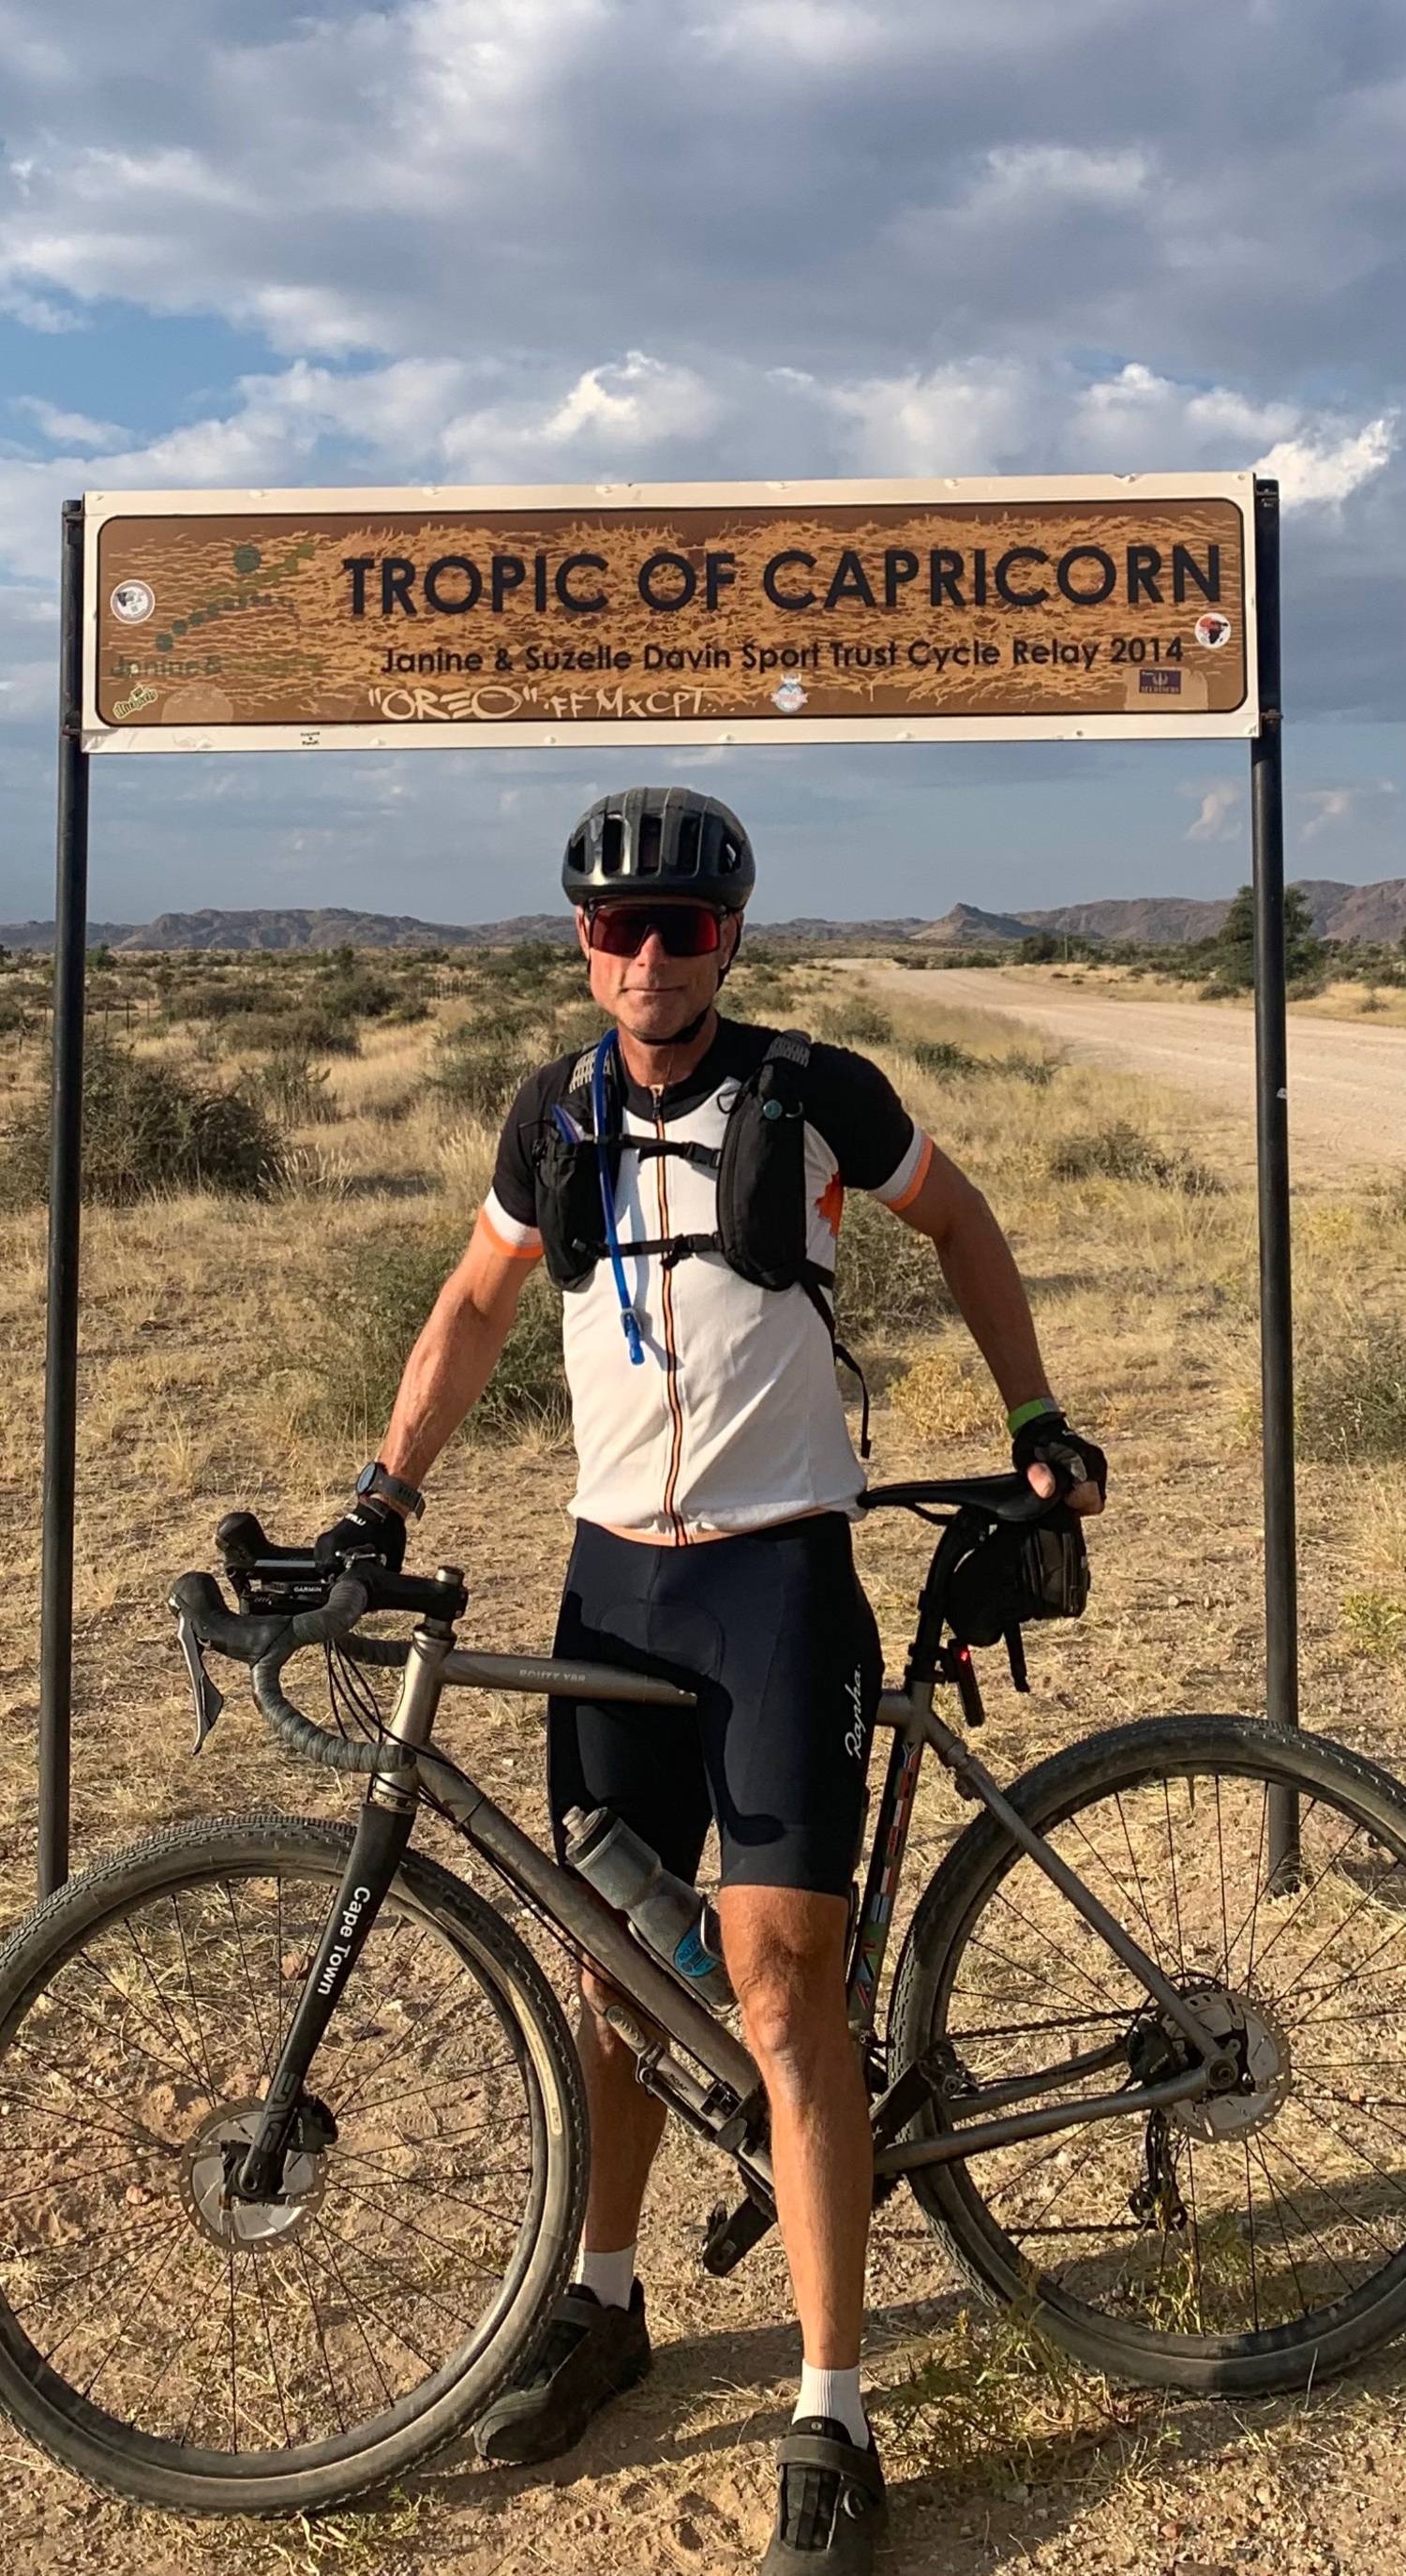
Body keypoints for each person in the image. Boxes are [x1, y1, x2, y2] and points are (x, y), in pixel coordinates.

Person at [316, 786, 1106, 2573]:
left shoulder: (818, 1093)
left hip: (773, 1584)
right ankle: (606, 2301)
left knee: (777, 1988)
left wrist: (1038, 1417)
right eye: (616, 928)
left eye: (682, 926)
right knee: (614, 1964)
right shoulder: (555, 1113)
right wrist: (381, 1497)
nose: (649, 955)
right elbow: (468, 1304)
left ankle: (831, 2408)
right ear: (582, 942)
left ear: (731, 934)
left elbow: (964, 1227)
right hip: (615, 1587)